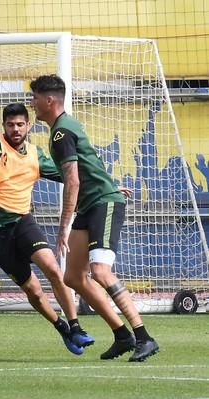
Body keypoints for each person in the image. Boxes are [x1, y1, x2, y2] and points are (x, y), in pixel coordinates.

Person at [0, 103, 94, 356]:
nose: (15, 129)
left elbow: (70, 175)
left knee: (54, 269)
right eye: (11, 125)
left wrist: (106, 186)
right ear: (3, 126)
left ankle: (76, 326)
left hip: (23, 223)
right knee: (33, 289)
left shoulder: (35, 156)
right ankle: (62, 328)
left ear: (28, 126)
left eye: (20, 124)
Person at [29, 74, 159, 362]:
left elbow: (72, 181)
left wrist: (63, 228)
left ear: (49, 100)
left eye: (35, 98)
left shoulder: (62, 133)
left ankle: (144, 337)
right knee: (73, 276)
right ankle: (122, 335)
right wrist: (108, 183)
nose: (32, 103)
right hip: (93, 204)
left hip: (101, 204)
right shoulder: (64, 128)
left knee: (100, 272)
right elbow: (91, 161)